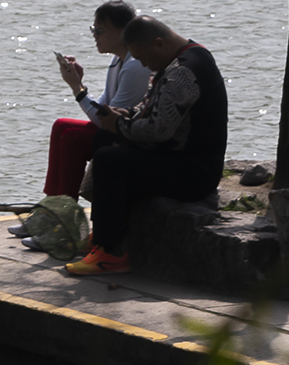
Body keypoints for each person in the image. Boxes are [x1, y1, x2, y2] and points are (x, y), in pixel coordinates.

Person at [65, 16, 230, 276]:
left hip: (194, 172)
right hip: (174, 157)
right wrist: (125, 115)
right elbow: (151, 107)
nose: (144, 65)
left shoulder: (186, 70)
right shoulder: (175, 61)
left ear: (159, 44)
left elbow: (159, 130)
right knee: (103, 139)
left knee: (111, 160)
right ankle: (103, 232)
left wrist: (119, 125)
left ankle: (111, 252)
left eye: (143, 58)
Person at [18, 0, 152, 243]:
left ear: (123, 31)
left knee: (71, 138)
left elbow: (108, 122)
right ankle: (50, 211)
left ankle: (64, 222)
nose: (95, 36)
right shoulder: (118, 60)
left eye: (99, 30)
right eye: (93, 30)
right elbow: (102, 106)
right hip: (115, 128)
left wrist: (77, 88)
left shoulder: (134, 67)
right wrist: (79, 84)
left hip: (129, 137)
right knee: (61, 125)